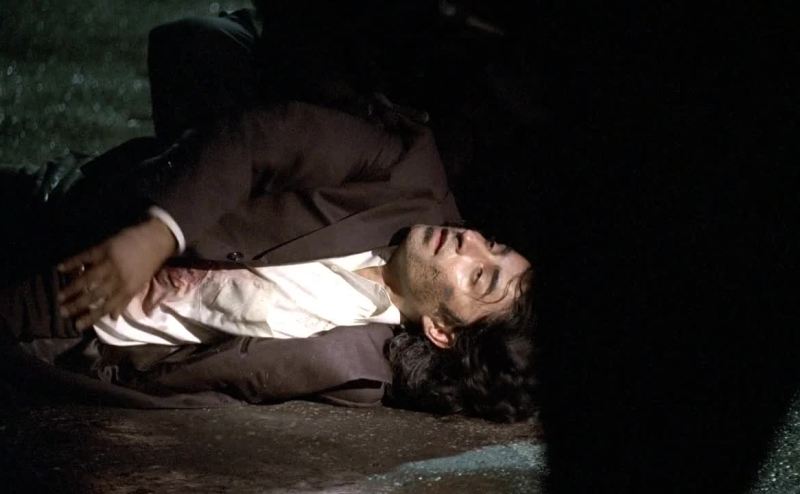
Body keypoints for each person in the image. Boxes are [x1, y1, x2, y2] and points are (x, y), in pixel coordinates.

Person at [1, 101, 537, 422]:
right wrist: (158, 234)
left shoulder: (359, 374)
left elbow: (213, 380)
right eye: (493, 243)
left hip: (72, 337)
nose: (469, 240)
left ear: (442, 330)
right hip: (80, 216)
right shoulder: (406, 174)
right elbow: (262, 137)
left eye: (480, 275)